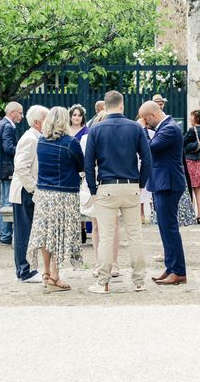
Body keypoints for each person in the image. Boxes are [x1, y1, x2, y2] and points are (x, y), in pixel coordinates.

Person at [86, 91, 152, 294]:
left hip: (106, 186)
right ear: (122, 105)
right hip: (131, 184)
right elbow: (147, 159)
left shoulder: (96, 129)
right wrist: (141, 183)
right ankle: (139, 281)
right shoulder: (135, 128)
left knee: (106, 236)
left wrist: (92, 189)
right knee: (135, 235)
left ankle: (103, 281)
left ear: (105, 107)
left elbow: (89, 163)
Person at [26, 107, 84, 292]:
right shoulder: (71, 143)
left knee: (46, 234)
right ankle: (55, 275)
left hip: (44, 193)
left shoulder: (41, 142)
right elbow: (81, 165)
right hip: (64, 193)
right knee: (58, 235)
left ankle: (45, 272)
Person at [139, 100, 187, 286]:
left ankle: (179, 271)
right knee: (164, 228)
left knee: (170, 228)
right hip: (162, 183)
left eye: (145, 119)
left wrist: (143, 130)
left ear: (152, 115)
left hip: (168, 183)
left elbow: (150, 148)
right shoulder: (165, 127)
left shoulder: (170, 128)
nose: (145, 122)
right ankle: (171, 266)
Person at [9, 105, 48, 283]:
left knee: (28, 232)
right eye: (46, 119)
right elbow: (21, 167)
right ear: (37, 122)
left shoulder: (36, 137)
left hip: (28, 190)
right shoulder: (30, 139)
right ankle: (25, 271)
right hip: (25, 191)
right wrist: (33, 189)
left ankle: (27, 269)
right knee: (24, 233)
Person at [82, 110, 121, 278]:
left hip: (113, 182)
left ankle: (114, 263)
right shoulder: (86, 139)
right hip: (93, 182)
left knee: (114, 224)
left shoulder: (117, 139)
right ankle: (99, 262)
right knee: (96, 225)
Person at [0, 101, 24, 245]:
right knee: (8, 202)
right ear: (12, 112)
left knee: (3, 202)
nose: (22, 116)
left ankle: (3, 235)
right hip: (7, 167)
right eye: (20, 113)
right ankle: (5, 236)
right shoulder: (8, 126)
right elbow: (8, 147)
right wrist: (22, 151)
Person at [183, 109, 200, 224]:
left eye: (191, 116)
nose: (190, 118)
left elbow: (183, 143)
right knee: (198, 188)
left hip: (191, 161)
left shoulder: (192, 130)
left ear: (196, 118)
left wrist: (187, 147)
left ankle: (191, 214)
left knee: (189, 188)